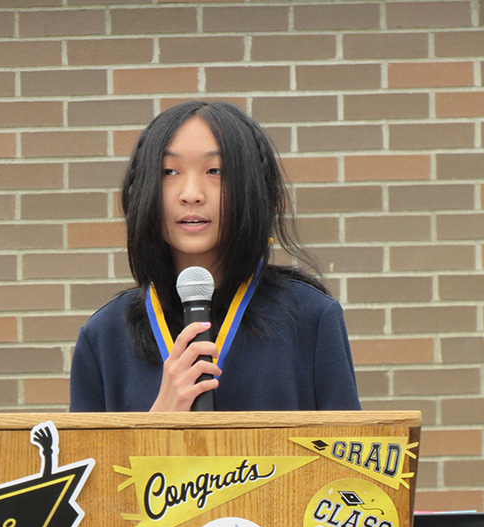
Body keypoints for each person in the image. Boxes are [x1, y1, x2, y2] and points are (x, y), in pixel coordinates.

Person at [70, 100, 360, 413]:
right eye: (169, 171)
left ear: (251, 187)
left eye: (215, 170)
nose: (191, 193)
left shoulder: (311, 318)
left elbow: (349, 458)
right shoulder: (103, 336)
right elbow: (89, 461)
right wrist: (155, 427)